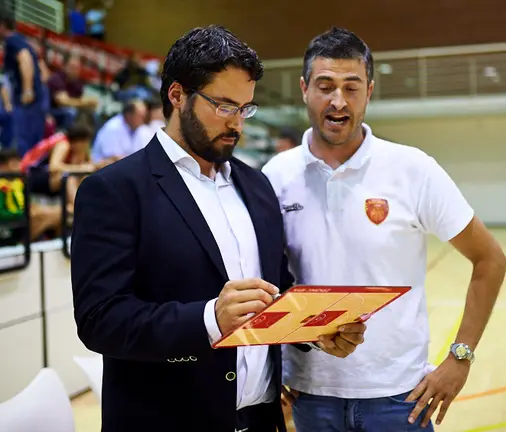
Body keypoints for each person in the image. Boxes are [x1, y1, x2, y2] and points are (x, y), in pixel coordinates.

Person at [70, 25, 365, 432]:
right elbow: (100, 320)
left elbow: (274, 289)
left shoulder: (256, 185)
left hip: (260, 419)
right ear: (177, 95)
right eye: (225, 106)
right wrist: (209, 319)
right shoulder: (114, 190)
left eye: (245, 108)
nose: (237, 124)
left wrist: (315, 330)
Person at [262, 27, 506, 431]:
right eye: (325, 86)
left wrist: (460, 358)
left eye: (351, 87)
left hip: (400, 396)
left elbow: (489, 259)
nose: (338, 100)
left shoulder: (414, 169)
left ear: (369, 91)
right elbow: (266, 282)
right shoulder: (275, 177)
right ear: (305, 89)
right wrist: (270, 371)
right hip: (310, 396)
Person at [0, 11, 46, 156]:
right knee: (30, 143)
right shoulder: (21, 40)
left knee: (24, 144)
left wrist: (27, 89)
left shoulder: (12, 41)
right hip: (32, 101)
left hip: (27, 102)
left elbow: (25, 59)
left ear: (1, 26)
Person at [0, 149, 62, 241]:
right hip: (14, 224)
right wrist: (22, 213)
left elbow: (27, 203)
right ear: (3, 167)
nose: (19, 166)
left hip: (26, 219)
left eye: (19, 162)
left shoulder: (20, 183)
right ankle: (24, 243)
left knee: (59, 212)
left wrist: (32, 208)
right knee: (45, 215)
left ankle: (50, 241)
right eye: (14, 163)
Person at [90, 99, 146, 164]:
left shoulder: (136, 128)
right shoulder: (113, 128)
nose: (143, 120)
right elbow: (113, 158)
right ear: (129, 115)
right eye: (140, 116)